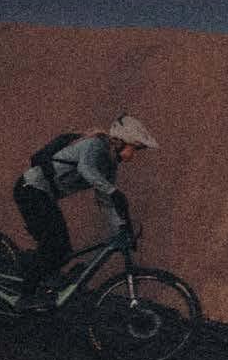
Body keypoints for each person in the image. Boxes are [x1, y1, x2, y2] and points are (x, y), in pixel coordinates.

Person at [12, 113, 159, 312]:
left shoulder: (109, 165)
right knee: (54, 244)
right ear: (120, 141)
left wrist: (120, 227)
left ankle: (41, 278)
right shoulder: (95, 144)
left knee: (62, 249)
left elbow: (105, 201)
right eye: (134, 148)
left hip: (42, 194)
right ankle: (25, 297)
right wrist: (113, 191)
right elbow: (86, 169)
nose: (134, 155)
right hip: (31, 190)